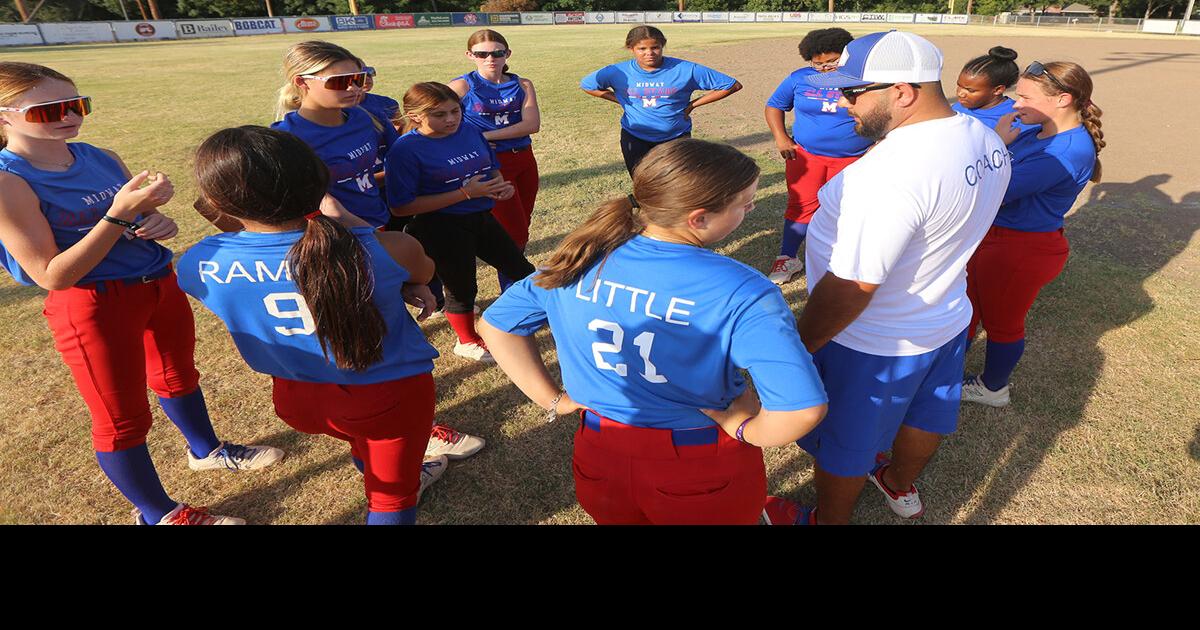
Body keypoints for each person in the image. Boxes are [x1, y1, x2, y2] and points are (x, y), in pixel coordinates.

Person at [478, 139, 828, 525]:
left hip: (599, 453)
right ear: (698, 218)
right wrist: (745, 428)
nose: (752, 209)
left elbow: (496, 326)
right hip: (700, 464)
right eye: (744, 204)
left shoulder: (577, 260)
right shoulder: (742, 290)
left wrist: (552, 400)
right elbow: (801, 409)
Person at [0, 62, 282, 526]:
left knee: (178, 376)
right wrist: (116, 216)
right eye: (50, 109)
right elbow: (51, 274)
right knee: (121, 418)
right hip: (91, 304)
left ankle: (206, 451)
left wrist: (152, 223)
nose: (70, 116)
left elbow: (136, 227)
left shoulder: (100, 156)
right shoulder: (11, 181)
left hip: (156, 283)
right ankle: (159, 514)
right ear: (5, 116)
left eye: (77, 104)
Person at [761, 31, 1011, 525]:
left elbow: (854, 285)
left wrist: (800, 345)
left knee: (845, 443)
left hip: (873, 340)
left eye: (854, 91)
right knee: (926, 415)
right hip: (945, 316)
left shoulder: (888, 174)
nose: (839, 101)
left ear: (902, 91)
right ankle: (896, 483)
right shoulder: (982, 136)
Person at [179, 127, 451, 525]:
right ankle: (397, 474)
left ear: (218, 201)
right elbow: (422, 270)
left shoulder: (198, 263)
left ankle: (384, 465)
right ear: (320, 181)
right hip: (387, 396)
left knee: (367, 443)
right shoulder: (384, 247)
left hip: (296, 399)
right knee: (392, 499)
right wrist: (356, 227)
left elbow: (274, 267)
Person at [962, 61, 1105, 408]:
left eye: (1025, 97)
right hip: (995, 238)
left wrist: (994, 142)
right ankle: (944, 370)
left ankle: (993, 388)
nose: (1015, 104)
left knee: (1003, 323)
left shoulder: (1066, 151)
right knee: (967, 310)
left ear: (1063, 99)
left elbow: (992, 188)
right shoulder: (1033, 128)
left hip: (1021, 248)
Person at [385, 82, 535, 364]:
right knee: (462, 288)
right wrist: (465, 193)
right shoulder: (405, 150)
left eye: (456, 110)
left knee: (521, 269)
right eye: (440, 115)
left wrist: (501, 187)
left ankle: (531, 313)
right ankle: (467, 341)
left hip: (480, 216)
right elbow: (401, 206)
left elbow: (491, 169)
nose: (452, 119)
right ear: (415, 116)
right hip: (439, 226)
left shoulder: (469, 130)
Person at [764, 28, 872, 286]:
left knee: (845, 211)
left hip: (853, 159)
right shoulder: (800, 78)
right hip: (806, 156)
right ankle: (788, 257)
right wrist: (781, 138)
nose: (824, 68)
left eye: (832, 61)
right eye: (818, 63)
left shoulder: (863, 79)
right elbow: (774, 105)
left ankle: (841, 260)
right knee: (801, 206)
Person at [449, 29, 541, 292]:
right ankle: (513, 288)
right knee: (514, 231)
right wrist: (467, 141)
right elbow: (432, 114)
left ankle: (513, 282)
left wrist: (485, 134)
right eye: (482, 54)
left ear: (507, 54)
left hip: (524, 159)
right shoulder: (463, 86)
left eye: (497, 53)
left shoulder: (522, 84)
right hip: (491, 164)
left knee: (523, 221)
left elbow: (531, 124)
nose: (490, 58)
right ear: (470, 55)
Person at [580, 25, 742, 176]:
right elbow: (588, 85)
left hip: (676, 137)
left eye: (655, 47)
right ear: (631, 48)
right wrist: (621, 100)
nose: (649, 53)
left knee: (676, 182)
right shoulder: (617, 71)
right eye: (642, 49)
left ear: (662, 46)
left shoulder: (685, 69)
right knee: (642, 181)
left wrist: (692, 105)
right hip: (635, 137)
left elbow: (732, 85)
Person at [271, 41, 398, 229]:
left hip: (379, 219)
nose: (354, 88)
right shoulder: (285, 138)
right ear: (302, 81)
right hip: (336, 237)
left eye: (358, 78)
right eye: (340, 81)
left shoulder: (361, 116)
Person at [951, 46, 1029, 131]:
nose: (960, 94)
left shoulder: (1017, 117)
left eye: (970, 90)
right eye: (959, 86)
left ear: (998, 90)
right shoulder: (957, 108)